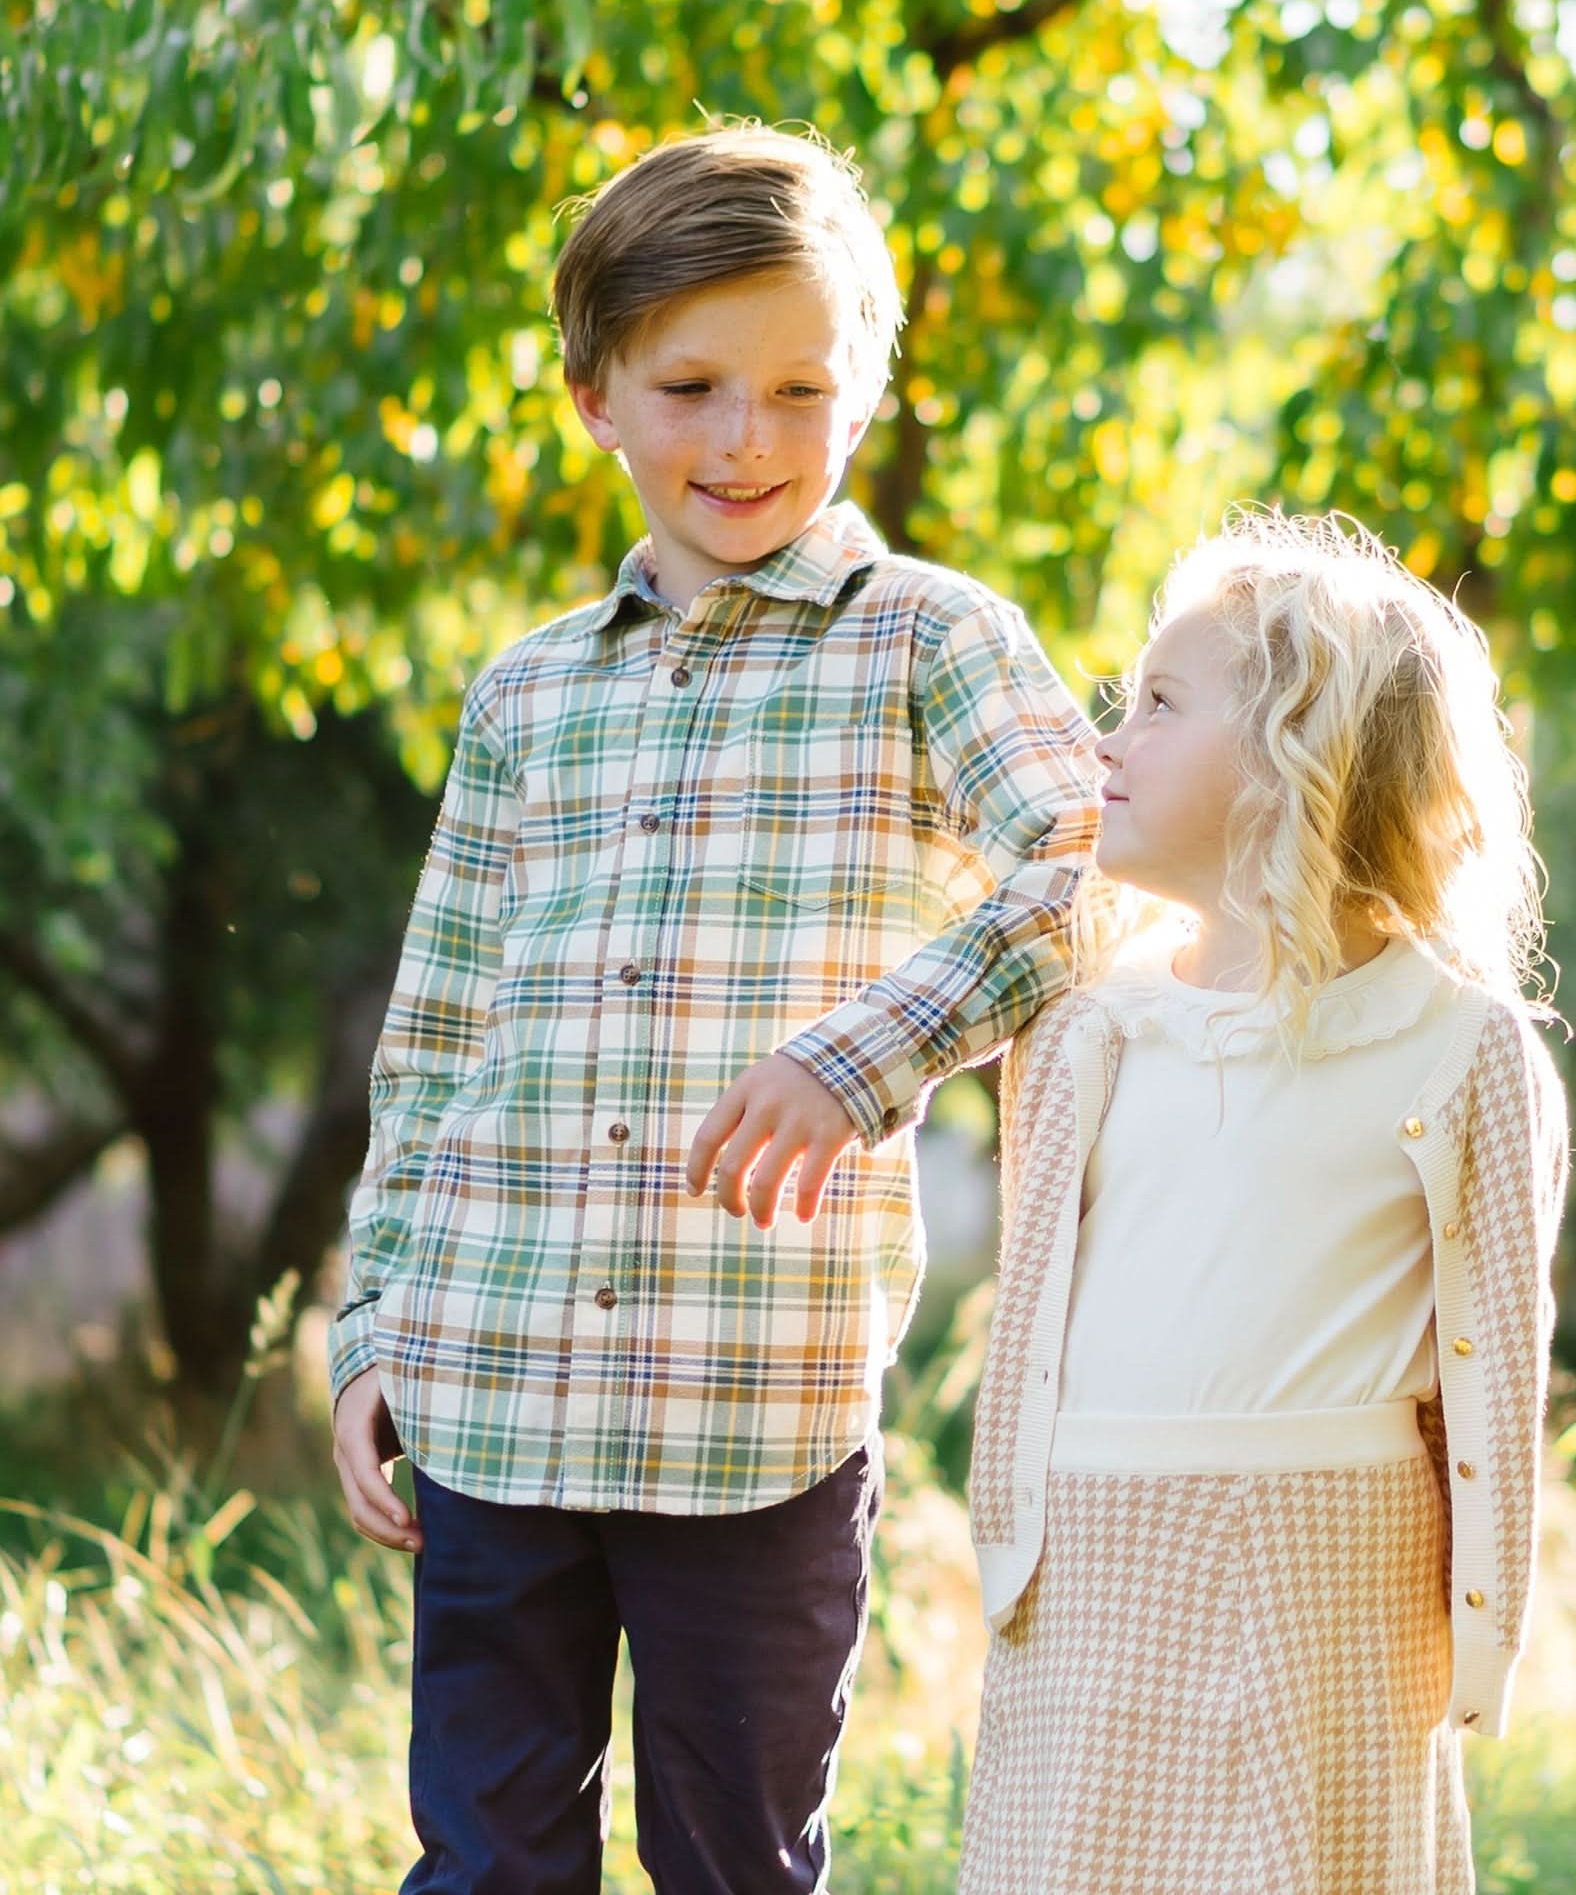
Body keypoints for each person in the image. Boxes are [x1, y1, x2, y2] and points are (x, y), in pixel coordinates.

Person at [326, 121, 1101, 1895]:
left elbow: (1092, 869)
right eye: (690, 388)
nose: (747, 440)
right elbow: (434, 1043)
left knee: (736, 1866)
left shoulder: (928, 641)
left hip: (753, 1413)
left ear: (864, 394)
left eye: (799, 391)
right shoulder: (526, 695)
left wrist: (865, 1055)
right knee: (483, 1867)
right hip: (493, 1387)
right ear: (594, 392)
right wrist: (372, 1331)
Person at [958, 508, 1571, 1893]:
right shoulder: (1086, 1034)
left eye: (1159, 705)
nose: (1108, 743)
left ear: (1302, 750)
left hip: (1337, 1572)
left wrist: (1484, 1622)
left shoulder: (1459, 1047)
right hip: (1093, 1564)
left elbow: (1495, 1368)